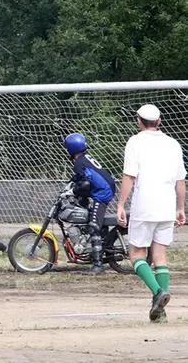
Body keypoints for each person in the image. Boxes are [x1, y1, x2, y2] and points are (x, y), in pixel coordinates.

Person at [116, 104, 185, 323]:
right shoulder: (173, 143)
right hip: (167, 206)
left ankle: (158, 292)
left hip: (145, 205)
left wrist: (120, 204)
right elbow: (180, 180)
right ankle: (160, 312)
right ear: (160, 120)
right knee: (160, 257)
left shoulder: (135, 142)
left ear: (138, 121)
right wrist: (181, 208)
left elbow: (129, 176)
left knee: (136, 254)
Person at [63, 133, 116, 274]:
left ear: (70, 149)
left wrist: (73, 191)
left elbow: (85, 183)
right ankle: (94, 245)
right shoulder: (84, 158)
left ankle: (98, 265)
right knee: (86, 211)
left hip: (101, 193)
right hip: (103, 188)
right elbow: (80, 177)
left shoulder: (78, 162)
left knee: (93, 226)